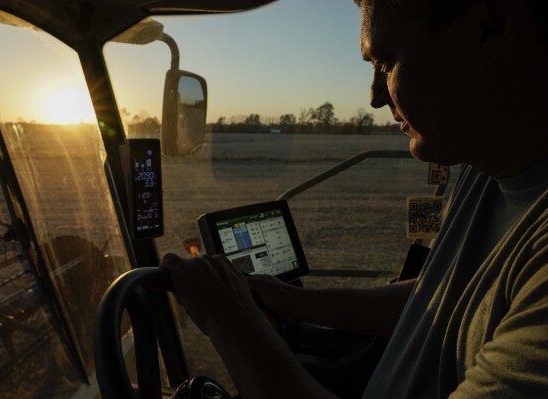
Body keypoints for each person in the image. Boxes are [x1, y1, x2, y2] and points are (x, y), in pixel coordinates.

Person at [162, 0, 548, 397]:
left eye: (385, 61)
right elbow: (442, 297)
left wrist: (231, 320)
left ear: (492, 23)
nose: (375, 97)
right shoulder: (484, 171)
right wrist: (295, 302)